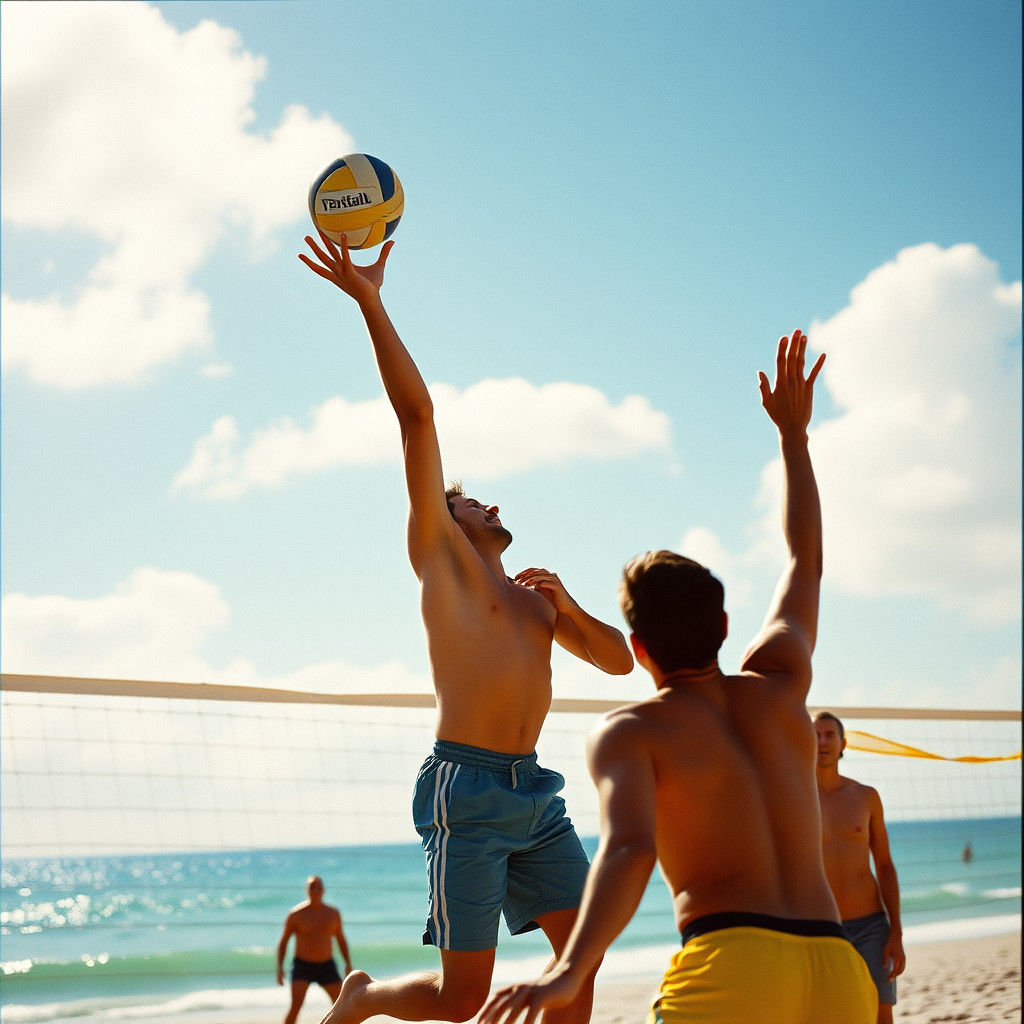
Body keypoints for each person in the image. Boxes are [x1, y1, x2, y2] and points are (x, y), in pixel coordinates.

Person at [479, 330, 876, 1024]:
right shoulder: (781, 681)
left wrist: (568, 971)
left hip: (732, 966)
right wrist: (793, 437)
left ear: (638, 647)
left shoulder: (631, 732)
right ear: (724, 625)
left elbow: (630, 850)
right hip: (838, 970)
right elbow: (805, 561)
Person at [298, 231, 634, 1024]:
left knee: (577, 969)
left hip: (534, 792)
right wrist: (370, 302)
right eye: (472, 501)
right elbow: (417, 417)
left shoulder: (536, 599)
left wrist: (570, 604)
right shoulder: (443, 564)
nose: (491, 504)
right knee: (463, 999)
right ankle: (364, 998)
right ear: (447, 522)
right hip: (467, 790)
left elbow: (620, 663)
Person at [814, 710, 906, 1024]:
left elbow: (885, 866)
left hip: (871, 927)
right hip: (821, 929)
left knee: (881, 1014)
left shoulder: (866, 797)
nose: (822, 741)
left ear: (843, 744)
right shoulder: (795, 800)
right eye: (815, 735)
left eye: (829, 735)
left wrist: (896, 932)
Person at [276, 875, 353, 1024]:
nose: (316, 890)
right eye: (312, 886)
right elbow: (283, 942)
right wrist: (280, 968)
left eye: (319, 886)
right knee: (296, 1006)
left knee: (341, 1005)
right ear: (307, 890)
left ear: (323, 890)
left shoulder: (333, 914)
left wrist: (348, 964)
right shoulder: (296, 914)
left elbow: (341, 940)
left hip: (326, 965)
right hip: (302, 966)